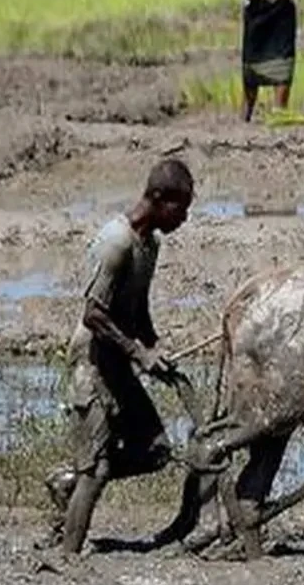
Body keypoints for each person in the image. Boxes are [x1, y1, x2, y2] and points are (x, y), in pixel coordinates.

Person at [43, 158, 195, 555]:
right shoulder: (117, 242)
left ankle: (67, 481)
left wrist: (154, 347)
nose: (185, 217)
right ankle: (68, 557)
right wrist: (137, 353)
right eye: (182, 207)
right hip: (91, 363)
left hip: (116, 361)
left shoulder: (150, 245)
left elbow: (137, 308)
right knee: (97, 470)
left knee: (156, 450)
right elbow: (93, 314)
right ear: (160, 199)